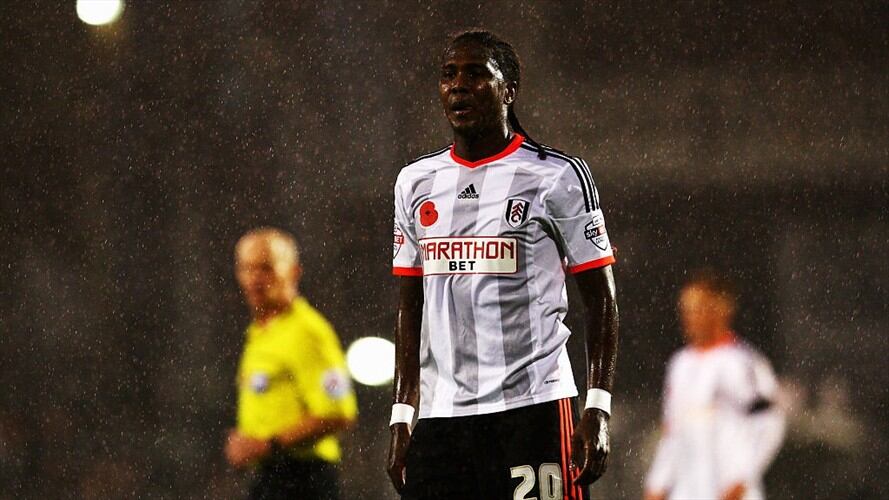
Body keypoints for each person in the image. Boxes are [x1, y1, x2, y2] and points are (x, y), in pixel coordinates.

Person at [386, 30, 619, 500]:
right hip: (443, 417)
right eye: (449, 75)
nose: (458, 86)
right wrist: (402, 412)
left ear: (508, 89)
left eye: (475, 74)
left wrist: (597, 405)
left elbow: (602, 298)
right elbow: (411, 305)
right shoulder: (415, 183)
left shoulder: (557, 176)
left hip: (532, 410)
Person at [226, 228, 357, 500]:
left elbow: (338, 411)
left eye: (266, 268)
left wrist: (266, 444)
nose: (255, 279)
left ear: (294, 272)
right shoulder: (260, 333)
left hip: (302, 479)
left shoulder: (307, 332)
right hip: (271, 477)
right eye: (247, 269)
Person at [644, 269, 785, 500]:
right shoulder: (679, 365)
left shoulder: (742, 362)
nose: (689, 317)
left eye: (698, 309)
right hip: (687, 491)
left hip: (728, 491)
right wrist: (657, 484)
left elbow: (770, 424)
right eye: (686, 310)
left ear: (720, 310)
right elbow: (671, 431)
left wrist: (741, 479)